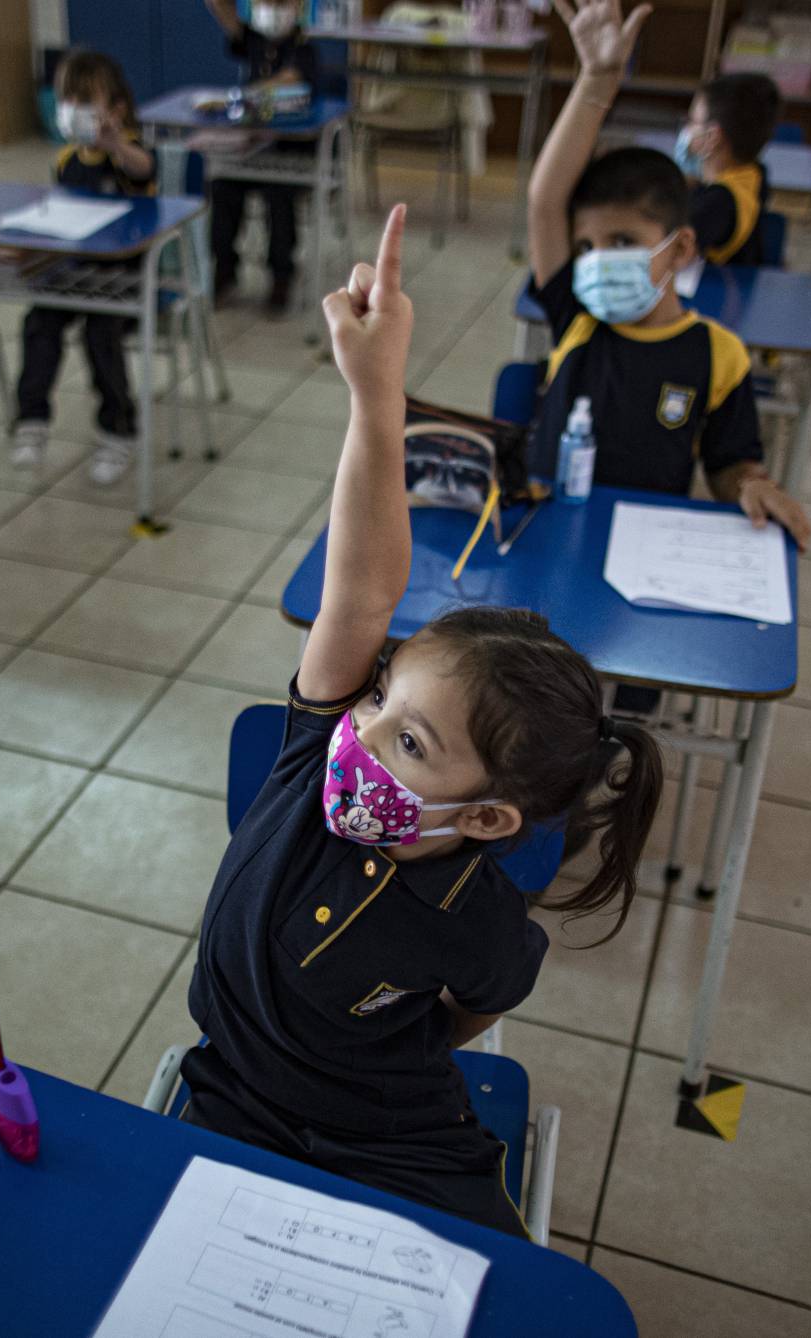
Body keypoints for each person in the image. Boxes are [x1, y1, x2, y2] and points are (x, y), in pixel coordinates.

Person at [182, 203, 666, 1237]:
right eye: (376, 699)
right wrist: (374, 398)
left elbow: (473, 1012)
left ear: (488, 819)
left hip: (392, 1139)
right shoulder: (315, 755)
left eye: (406, 740)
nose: (360, 731)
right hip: (232, 1098)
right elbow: (359, 595)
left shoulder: (477, 915)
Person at [524, 0, 809, 545]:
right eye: (586, 245)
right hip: (552, 539)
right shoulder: (579, 319)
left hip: (644, 547)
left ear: (681, 250)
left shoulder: (718, 353)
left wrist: (751, 484)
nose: (599, 259)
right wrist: (595, 83)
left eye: (624, 241)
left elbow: (730, 464)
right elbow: (544, 200)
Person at [9, 50, 154, 483]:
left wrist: (116, 144)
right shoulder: (66, 160)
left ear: (116, 110)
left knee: (100, 331)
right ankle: (32, 419)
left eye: (86, 102)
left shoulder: (128, 151)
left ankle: (118, 429)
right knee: (39, 321)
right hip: (74, 269)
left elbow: (144, 168)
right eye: (67, 101)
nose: (73, 111)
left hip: (125, 273)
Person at [199, 0, 317, 312]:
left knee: (278, 195)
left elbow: (292, 78)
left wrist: (250, 93)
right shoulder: (254, 40)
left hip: (292, 155)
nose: (272, 9)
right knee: (222, 186)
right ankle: (224, 270)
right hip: (250, 150)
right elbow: (221, 11)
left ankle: (281, 275)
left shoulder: (303, 45)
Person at [673, 71, 777, 266]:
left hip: (713, 290)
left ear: (712, 137)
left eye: (692, 121)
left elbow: (673, 256)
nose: (686, 129)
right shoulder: (754, 173)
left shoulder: (716, 203)